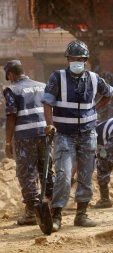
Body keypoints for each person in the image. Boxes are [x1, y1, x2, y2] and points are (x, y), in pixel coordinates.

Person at [42, 40, 113, 232]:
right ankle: (56, 214)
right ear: (68, 59)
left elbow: (109, 93)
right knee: (64, 175)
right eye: (74, 58)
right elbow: (47, 102)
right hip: (64, 134)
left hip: (88, 134)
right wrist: (49, 124)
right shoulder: (57, 77)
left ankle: (81, 214)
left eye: (81, 58)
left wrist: (95, 108)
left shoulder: (93, 78)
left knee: (85, 175)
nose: (77, 61)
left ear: (85, 60)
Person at [2, 60, 54, 225]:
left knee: (26, 173)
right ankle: (51, 207)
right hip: (44, 133)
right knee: (45, 169)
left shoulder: (11, 89)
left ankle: (32, 212)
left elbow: (11, 116)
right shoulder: (42, 85)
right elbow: (50, 108)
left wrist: (8, 142)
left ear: (10, 74)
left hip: (25, 136)